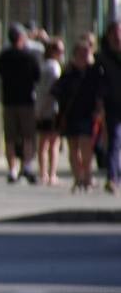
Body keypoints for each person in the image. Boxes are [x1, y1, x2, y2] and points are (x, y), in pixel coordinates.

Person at [52, 36, 106, 192]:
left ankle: (87, 176)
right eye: (81, 53)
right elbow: (56, 90)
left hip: (87, 114)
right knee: (73, 148)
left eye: (87, 52)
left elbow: (100, 92)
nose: (84, 56)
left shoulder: (94, 72)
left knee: (86, 147)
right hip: (70, 115)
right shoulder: (68, 72)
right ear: (75, 55)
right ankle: (78, 178)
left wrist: (99, 109)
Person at [0, 22, 40, 184]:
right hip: (26, 101)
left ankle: (12, 169)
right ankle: (27, 166)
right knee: (28, 136)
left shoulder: (3, 57)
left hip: (9, 101)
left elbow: (0, 73)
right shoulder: (29, 56)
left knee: (10, 137)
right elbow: (37, 77)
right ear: (21, 38)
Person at [35, 37, 65, 186]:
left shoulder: (43, 65)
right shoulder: (54, 68)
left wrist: (38, 109)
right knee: (53, 143)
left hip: (41, 108)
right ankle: (51, 174)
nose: (62, 53)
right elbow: (51, 91)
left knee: (43, 143)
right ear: (52, 51)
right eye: (59, 50)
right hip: (52, 109)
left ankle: (43, 173)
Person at [96, 22, 121, 193]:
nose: (118, 37)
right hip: (112, 104)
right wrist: (99, 103)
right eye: (115, 34)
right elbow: (96, 83)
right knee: (114, 140)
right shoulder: (102, 57)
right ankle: (112, 177)